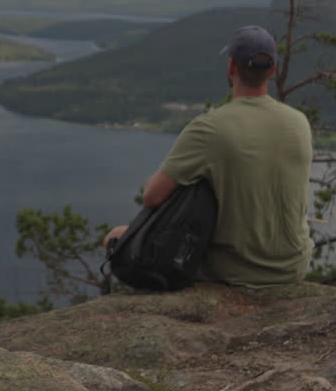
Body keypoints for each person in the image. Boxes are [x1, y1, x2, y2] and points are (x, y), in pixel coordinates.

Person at [103, 25, 314, 287]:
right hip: (293, 267)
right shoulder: (299, 122)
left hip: (236, 271)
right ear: (272, 70)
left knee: (116, 236)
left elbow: (152, 196)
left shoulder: (210, 128)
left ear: (231, 67)